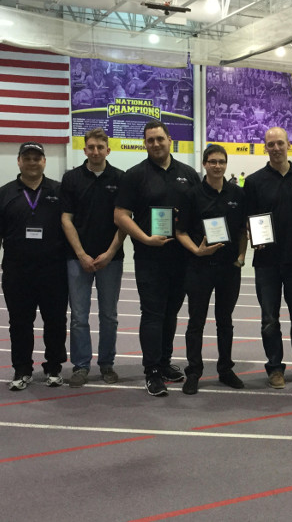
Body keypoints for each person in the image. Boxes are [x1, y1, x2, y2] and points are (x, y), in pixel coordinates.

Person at [114, 121, 200, 397]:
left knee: (171, 313)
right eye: (150, 140)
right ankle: (151, 371)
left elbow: (199, 211)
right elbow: (120, 216)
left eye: (160, 139)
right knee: (152, 314)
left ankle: (164, 362)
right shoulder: (134, 175)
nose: (155, 144)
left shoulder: (188, 174)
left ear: (169, 140)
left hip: (181, 258)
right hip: (149, 257)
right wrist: (145, 238)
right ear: (145, 143)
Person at [0, 142, 67, 390]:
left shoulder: (60, 191)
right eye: (27, 158)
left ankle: (53, 368)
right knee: (19, 323)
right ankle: (22, 369)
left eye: (36, 158)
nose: (32, 162)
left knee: (56, 322)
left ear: (44, 161)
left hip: (54, 271)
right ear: (19, 161)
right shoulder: (3, 194)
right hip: (17, 272)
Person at [243, 127, 292, 389]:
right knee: (269, 321)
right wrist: (252, 234)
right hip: (266, 263)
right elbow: (247, 219)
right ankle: (274, 367)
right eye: (271, 144)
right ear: (265, 147)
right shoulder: (254, 181)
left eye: (280, 143)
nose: (276, 148)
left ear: (289, 145)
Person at [176, 145, 248, 395]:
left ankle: (225, 369)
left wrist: (241, 257)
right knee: (196, 322)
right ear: (204, 164)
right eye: (212, 161)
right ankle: (194, 372)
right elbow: (180, 232)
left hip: (229, 269)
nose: (217, 166)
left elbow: (243, 231)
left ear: (226, 164)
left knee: (225, 322)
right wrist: (196, 251)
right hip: (200, 268)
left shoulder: (238, 194)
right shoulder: (192, 195)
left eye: (221, 162)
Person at [61, 128, 125, 387]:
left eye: (100, 147)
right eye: (91, 147)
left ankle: (107, 364)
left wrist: (110, 253)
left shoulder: (120, 178)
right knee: (79, 316)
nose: (96, 151)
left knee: (109, 315)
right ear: (84, 149)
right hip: (77, 259)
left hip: (111, 259)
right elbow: (66, 219)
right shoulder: (71, 178)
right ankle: (81, 365)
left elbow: (125, 220)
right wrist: (81, 254)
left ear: (108, 150)